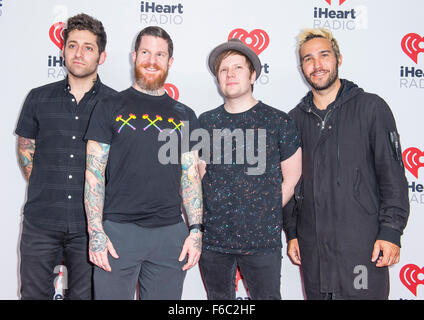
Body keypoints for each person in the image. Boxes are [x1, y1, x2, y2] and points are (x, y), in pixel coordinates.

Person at [284, 28, 410, 300]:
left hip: (362, 250)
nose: (317, 65)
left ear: (338, 59)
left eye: (324, 55)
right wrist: (292, 232)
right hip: (315, 253)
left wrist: (391, 231)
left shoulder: (371, 108)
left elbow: (393, 176)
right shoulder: (293, 121)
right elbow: (290, 184)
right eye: (308, 58)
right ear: (301, 67)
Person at [83, 26, 202, 300]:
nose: (152, 60)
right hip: (117, 234)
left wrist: (195, 230)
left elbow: (190, 177)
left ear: (170, 62)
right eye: (146, 52)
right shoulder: (109, 106)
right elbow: (94, 174)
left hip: (170, 236)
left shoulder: (185, 115)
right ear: (134, 56)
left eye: (160, 54)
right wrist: (96, 232)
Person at [15, 13, 116, 300]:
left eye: (88, 47)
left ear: (102, 55)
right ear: (62, 51)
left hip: (91, 228)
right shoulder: (38, 98)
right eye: (72, 45)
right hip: (41, 222)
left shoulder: (115, 105)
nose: (79, 53)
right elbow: (26, 150)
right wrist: (47, 186)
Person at [198, 38, 302, 300]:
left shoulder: (278, 121)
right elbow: (198, 177)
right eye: (224, 70)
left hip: (261, 243)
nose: (230, 74)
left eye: (238, 68)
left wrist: (265, 211)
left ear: (253, 75)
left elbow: (293, 176)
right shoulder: (206, 122)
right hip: (214, 242)